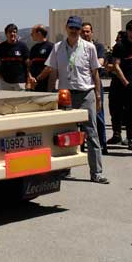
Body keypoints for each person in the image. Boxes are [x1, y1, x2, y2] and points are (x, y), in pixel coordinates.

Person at [40, 15, 108, 183]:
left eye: (77, 28)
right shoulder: (57, 48)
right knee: (65, 134)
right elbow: (53, 73)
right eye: (72, 27)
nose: (74, 31)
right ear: (66, 28)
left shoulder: (89, 47)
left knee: (92, 134)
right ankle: (64, 169)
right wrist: (50, 96)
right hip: (65, 95)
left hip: (86, 94)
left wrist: (99, 96)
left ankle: (96, 173)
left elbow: (95, 73)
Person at [110, 20, 132, 151]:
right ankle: (124, 137)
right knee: (121, 111)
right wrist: (125, 82)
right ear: (129, 31)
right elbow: (116, 66)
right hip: (123, 83)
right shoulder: (120, 46)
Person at [81, 21, 109, 154]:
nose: (85, 34)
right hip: (81, 85)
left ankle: (103, 144)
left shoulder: (98, 46)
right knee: (80, 118)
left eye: (87, 31)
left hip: (95, 84)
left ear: (92, 32)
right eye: (83, 31)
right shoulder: (76, 47)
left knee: (98, 115)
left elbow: (99, 63)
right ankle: (81, 146)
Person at [106, 31, 126, 146]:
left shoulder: (129, 50)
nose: (116, 41)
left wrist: (115, 67)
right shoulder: (113, 51)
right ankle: (116, 135)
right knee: (114, 109)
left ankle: (129, 136)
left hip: (126, 83)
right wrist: (115, 67)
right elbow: (107, 66)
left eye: (118, 39)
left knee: (128, 111)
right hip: (115, 83)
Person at [0, 23, 29, 91]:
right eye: (10, 32)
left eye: (14, 32)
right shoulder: (1, 47)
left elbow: (28, 64)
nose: (12, 34)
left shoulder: (23, 46)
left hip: (20, 81)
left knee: (20, 101)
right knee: (5, 101)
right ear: (6, 34)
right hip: (5, 82)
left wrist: (28, 79)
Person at [27, 25, 53, 92]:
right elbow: (29, 65)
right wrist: (30, 78)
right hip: (33, 84)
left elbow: (49, 67)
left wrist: (37, 79)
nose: (31, 34)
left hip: (45, 85)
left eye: (32, 32)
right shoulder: (33, 48)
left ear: (39, 33)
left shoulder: (51, 47)